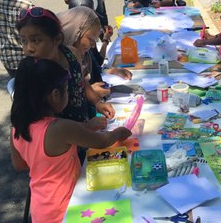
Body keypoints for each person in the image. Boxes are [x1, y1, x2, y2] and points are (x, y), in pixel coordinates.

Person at [10, 58, 131, 223]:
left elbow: (20, 164)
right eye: (66, 90)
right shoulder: (60, 128)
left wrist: (86, 127)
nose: (67, 94)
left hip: (41, 210)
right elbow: (102, 141)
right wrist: (118, 133)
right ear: (55, 95)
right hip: (66, 208)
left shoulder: (18, 128)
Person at [16, 7, 116, 125]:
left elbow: (81, 81)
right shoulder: (34, 74)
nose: (29, 48)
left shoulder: (72, 54)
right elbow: (44, 123)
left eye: (36, 40)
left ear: (57, 39)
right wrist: (85, 128)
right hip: (61, 136)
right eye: (24, 41)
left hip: (82, 123)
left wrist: (97, 103)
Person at [57, 6, 131, 98]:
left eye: (95, 40)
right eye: (90, 39)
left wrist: (111, 71)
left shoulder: (86, 55)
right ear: (76, 33)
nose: (93, 45)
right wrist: (89, 93)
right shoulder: (57, 64)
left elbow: (96, 70)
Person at [68, 0, 114, 84]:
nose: (93, 44)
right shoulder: (74, 50)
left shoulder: (85, 41)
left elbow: (97, 64)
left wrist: (105, 40)